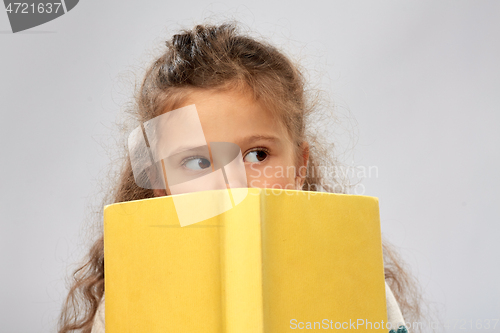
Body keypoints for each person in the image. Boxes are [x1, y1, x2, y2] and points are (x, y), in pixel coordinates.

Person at [58, 22, 421, 333]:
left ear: (299, 167)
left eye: (257, 155)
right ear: (159, 182)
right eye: (198, 161)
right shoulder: (133, 285)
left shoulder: (351, 275)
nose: (231, 183)